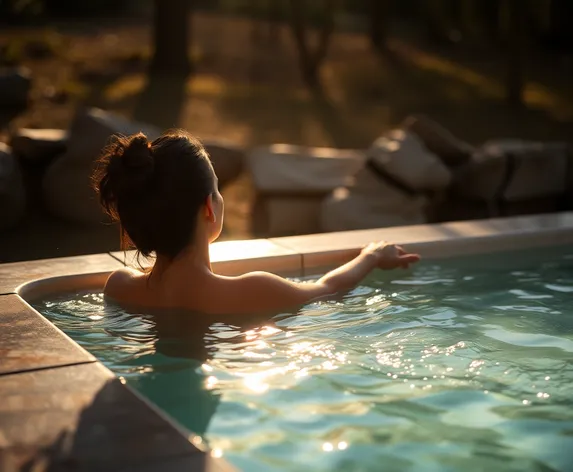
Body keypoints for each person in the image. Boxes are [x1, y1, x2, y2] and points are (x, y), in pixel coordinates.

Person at [93, 130, 420, 315]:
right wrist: (372, 256)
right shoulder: (253, 291)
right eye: (218, 191)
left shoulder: (119, 287)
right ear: (210, 208)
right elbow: (328, 289)